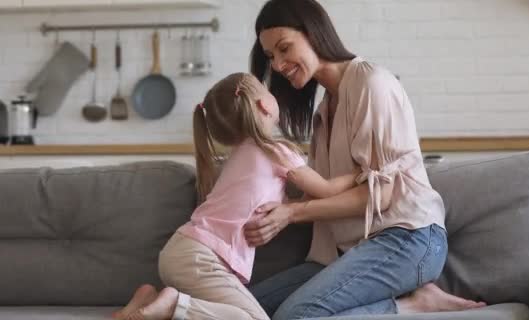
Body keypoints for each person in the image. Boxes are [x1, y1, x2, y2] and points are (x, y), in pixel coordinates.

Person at [245, 0, 486, 319]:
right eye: (270, 57)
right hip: (348, 253)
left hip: (408, 239)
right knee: (242, 308)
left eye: (284, 48)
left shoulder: (372, 84)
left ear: (314, 33)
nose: (277, 65)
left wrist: (292, 213)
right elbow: (325, 192)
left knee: (297, 315)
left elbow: (381, 196)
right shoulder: (324, 110)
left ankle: (413, 304)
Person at [112, 72, 361, 320]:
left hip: (183, 252)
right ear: (263, 104)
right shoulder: (278, 151)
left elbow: (294, 201)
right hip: (200, 258)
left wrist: (292, 207)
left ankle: (149, 300)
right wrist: (361, 173)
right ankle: (173, 306)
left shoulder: (240, 156)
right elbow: (327, 190)